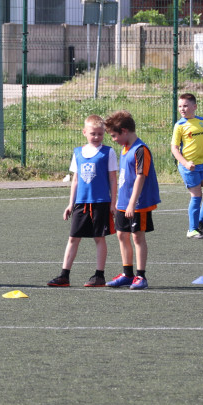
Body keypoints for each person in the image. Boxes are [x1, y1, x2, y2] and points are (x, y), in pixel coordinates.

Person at [47, 115, 118, 288]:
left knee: (99, 238)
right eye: (93, 133)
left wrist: (113, 203)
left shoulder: (108, 152)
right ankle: (64, 275)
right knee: (73, 238)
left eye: (100, 134)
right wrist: (71, 203)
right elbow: (76, 180)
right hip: (81, 203)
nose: (96, 137)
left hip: (100, 202)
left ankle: (99, 275)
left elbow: (113, 179)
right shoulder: (78, 152)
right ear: (84, 132)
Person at [104, 110, 160, 290]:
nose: (113, 139)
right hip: (123, 202)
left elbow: (140, 177)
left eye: (114, 135)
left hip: (138, 203)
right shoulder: (125, 148)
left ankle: (141, 276)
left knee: (137, 237)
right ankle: (127, 274)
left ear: (125, 131)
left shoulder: (141, 150)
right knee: (121, 235)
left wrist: (131, 202)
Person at [171, 92, 203, 239]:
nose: (182, 109)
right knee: (196, 196)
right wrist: (186, 163)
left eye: (185, 106)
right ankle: (192, 229)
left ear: (194, 107)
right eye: (180, 106)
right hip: (188, 166)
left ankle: (200, 221)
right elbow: (174, 148)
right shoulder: (179, 125)